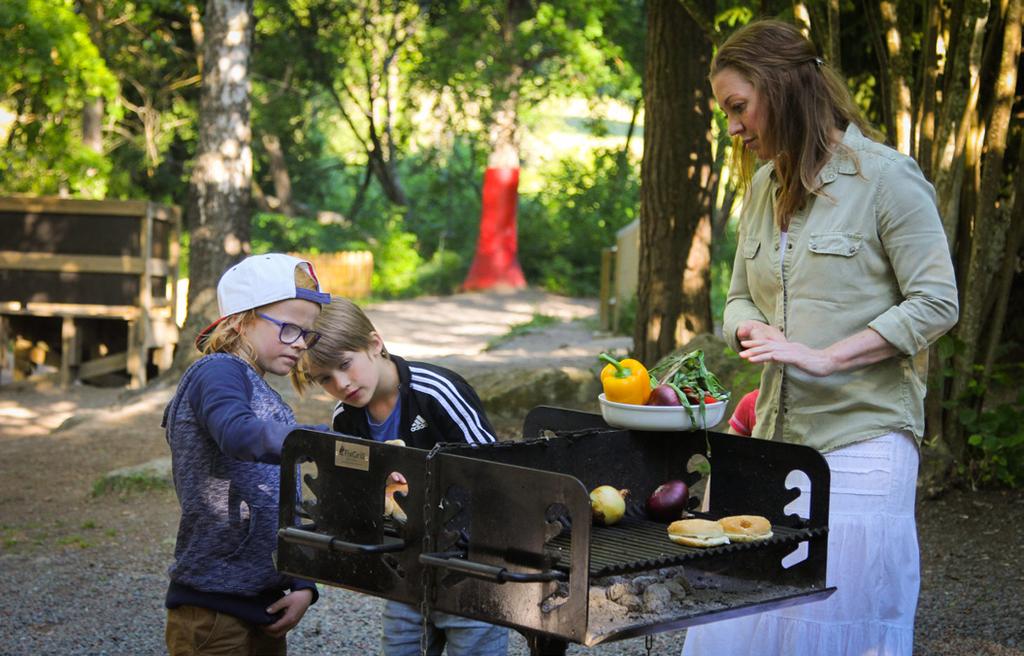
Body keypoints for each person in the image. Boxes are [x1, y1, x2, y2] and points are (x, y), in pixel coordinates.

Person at [684, 19, 959, 656]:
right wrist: (750, 327)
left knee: (834, 630)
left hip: (863, 443)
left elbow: (937, 301)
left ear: (781, 89)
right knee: (732, 622)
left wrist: (826, 357)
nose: (732, 127)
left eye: (738, 107)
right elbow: (736, 298)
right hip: (774, 443)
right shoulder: (760, 187)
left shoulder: (888, 179)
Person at [295, 296, 509, 656]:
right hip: (405, 568)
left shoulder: (436, 392)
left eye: (346, 365)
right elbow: (353, 493)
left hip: (471, 567)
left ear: (374, 344)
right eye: (325, 379)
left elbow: (494, 471)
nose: (342, 383)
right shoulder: (344, 419)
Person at [163, 253, 332, 655]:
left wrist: (303, 583)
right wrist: (311, 440)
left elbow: (283, 501)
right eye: (290, 329)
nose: (300, 345)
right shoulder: (217, 372)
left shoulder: (266, 397)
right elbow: (236, 434)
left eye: (307, 334)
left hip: (265, 601)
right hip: (211, 609)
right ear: (242, 319)